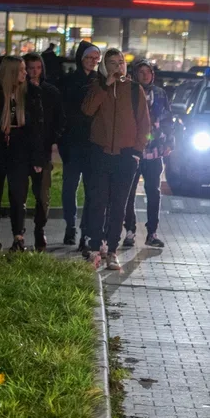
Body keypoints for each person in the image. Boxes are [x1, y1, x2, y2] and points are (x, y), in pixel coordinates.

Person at [82, 48, 151, 271]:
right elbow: (87, 110)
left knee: (119, 205)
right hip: (100, 153)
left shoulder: (133, 90)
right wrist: (105, 86)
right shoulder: (97, 86)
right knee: (98, 202)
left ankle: (112, 250)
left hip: (126, 155)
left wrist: (137, 151)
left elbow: (144, 124)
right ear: (105, 66)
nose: (118, 66)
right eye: (113, 63)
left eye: (121, 62)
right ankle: (95, 248)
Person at [0, 56, 44, 253]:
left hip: (19, 150)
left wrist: (38, 157)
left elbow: (37, 127)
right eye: (21, 70)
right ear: (11, 72)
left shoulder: (30, 93)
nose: (25, 73)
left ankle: (18, 238)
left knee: (18, 195)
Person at [123, 60, 173, 249]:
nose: (145, 75)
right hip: (133, 150)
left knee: (154, 192)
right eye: (141, 72)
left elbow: (168, 118)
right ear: (135, 74)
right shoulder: (129, 92)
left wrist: (169, 141)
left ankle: (152, 232)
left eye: (148, 72)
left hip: (154, 151)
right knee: (128, 192)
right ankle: (130, 229)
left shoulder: (160, 93)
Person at [61, 41, 101, 250]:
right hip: (72, 142)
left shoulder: (100, 81)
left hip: (93, 143)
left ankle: (85, 229)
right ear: (80, 58)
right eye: (89, 58)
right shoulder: (69, 81)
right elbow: (63, 113)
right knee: (69, 186)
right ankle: (70, 226)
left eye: (96, 58)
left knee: (91, 189)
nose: (93, 62)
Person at [23, 52, 64, 251]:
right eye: (30, 68)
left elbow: (59, 120)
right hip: (23, 150)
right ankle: (19, 234)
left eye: (38, 68)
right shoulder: (20, 91)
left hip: (44, 150)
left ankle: (39, 229)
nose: (34, 72)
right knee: (20, 193)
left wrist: (54, 139)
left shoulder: (51, 92)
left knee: (42, 194)